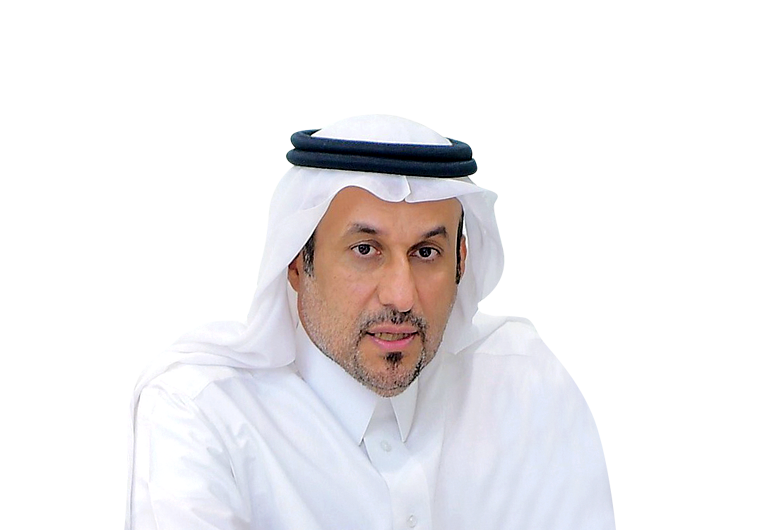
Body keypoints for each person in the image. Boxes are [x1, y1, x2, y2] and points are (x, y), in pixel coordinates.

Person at [130, 115, 615, 529]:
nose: (401, 296)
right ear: (297, 262)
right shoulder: (202, 413)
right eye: (366, 250)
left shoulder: (526, 385)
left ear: (461, 262)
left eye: (426, 253)